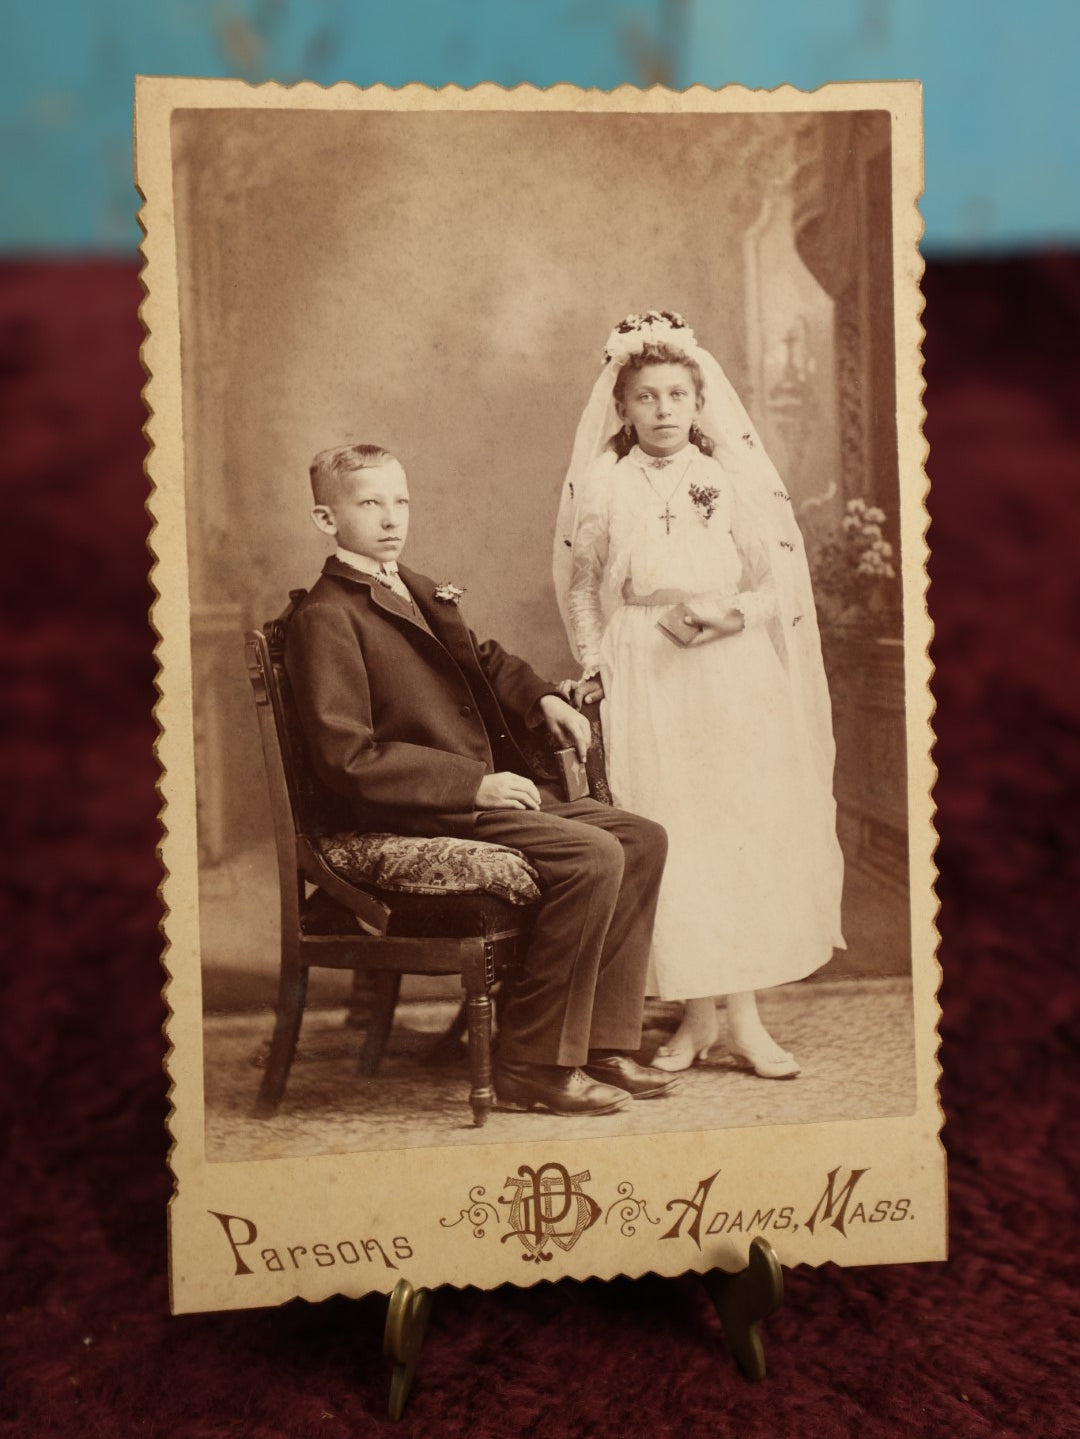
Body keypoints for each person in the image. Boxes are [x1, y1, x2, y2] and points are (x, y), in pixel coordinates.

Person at [285, 442, 675, 1117]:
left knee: (641, 837)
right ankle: (530, 1062)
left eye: (399, 500)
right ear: (326, 519)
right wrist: (472, 784)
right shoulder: (327, 616)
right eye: (368, 503)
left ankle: (600, 1042)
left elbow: (484, 660)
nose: (389, 518)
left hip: (461, 796)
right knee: (592, 853)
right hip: (406, 809)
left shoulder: (409, 583)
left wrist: (542, 699)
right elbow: (346, 756)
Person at [553, 311, 845, 1077]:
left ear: (697, 399)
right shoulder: (608, 486)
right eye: (645, 396)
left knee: (734, 829)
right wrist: (596, 661)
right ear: (622, 408)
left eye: (676, 393)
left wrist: (729, 612)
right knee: (673, 834)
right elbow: (584, 587)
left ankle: (745, 1018)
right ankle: (696, 1018)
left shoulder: (727, 479)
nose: (662, 409)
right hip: (645, 668)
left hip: (728, 667)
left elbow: (769, 582)